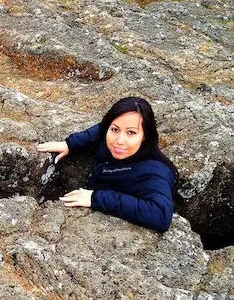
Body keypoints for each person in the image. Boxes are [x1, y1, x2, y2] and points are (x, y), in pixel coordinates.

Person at [37, 96, 178, 232]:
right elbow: (100, 128)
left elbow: (161, 215)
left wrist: (97, 198)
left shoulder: (154, 171)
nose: (120, 140)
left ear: (144, 137)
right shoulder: (109, 141)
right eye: (115, 130)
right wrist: (71, 144)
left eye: (131, 132)